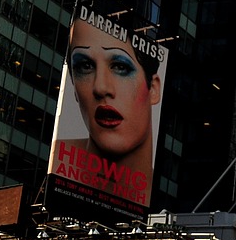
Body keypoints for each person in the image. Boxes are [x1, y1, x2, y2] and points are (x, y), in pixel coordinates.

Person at [53, 13, 163, 208]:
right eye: (85, 66)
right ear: (73, 85)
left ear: (153, 88)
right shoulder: (58, 171)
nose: (100, 87)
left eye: (120, 67)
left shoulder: (159, 200)